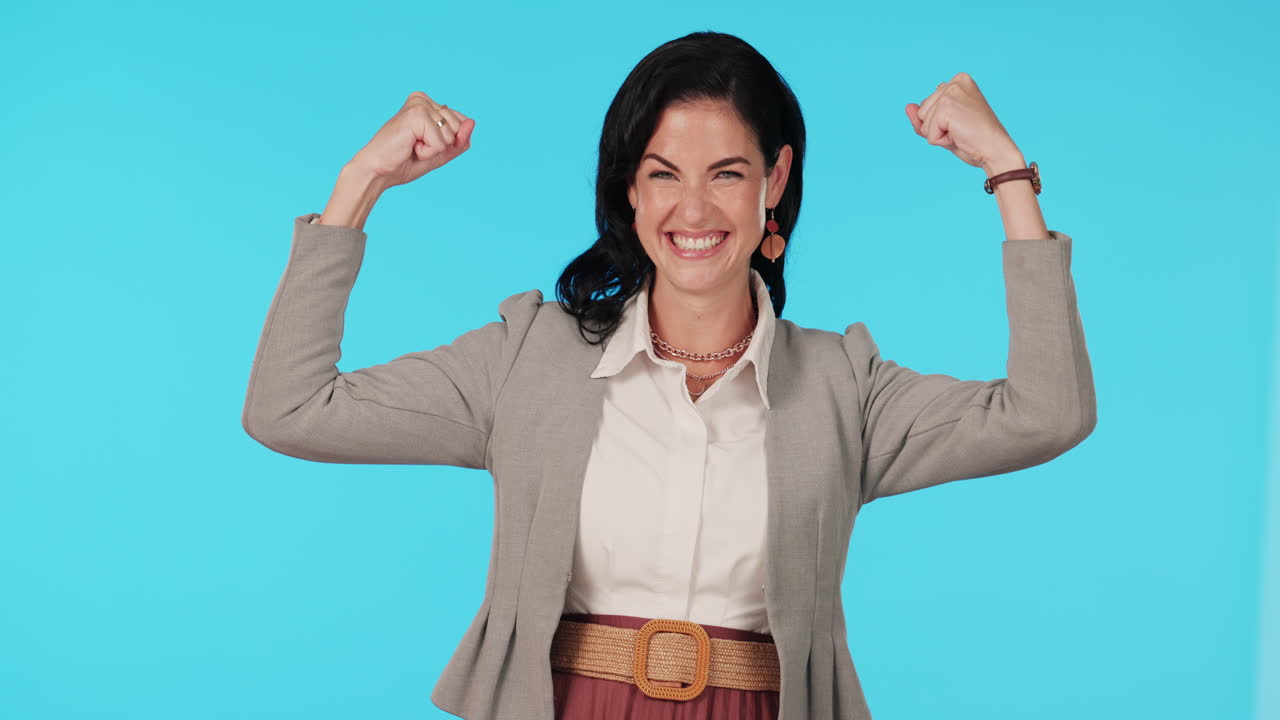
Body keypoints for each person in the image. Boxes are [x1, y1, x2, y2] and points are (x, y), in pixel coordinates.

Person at [241, 30, 1096, 720]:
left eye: (727, 174)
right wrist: (362, 185)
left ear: (776, 181)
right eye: (663, 175)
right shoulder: (524, 360)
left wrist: (1007, 171)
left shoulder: (845, 388)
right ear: (630, 191)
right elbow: (290, 409)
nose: (693, 210)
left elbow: (1046, 412)